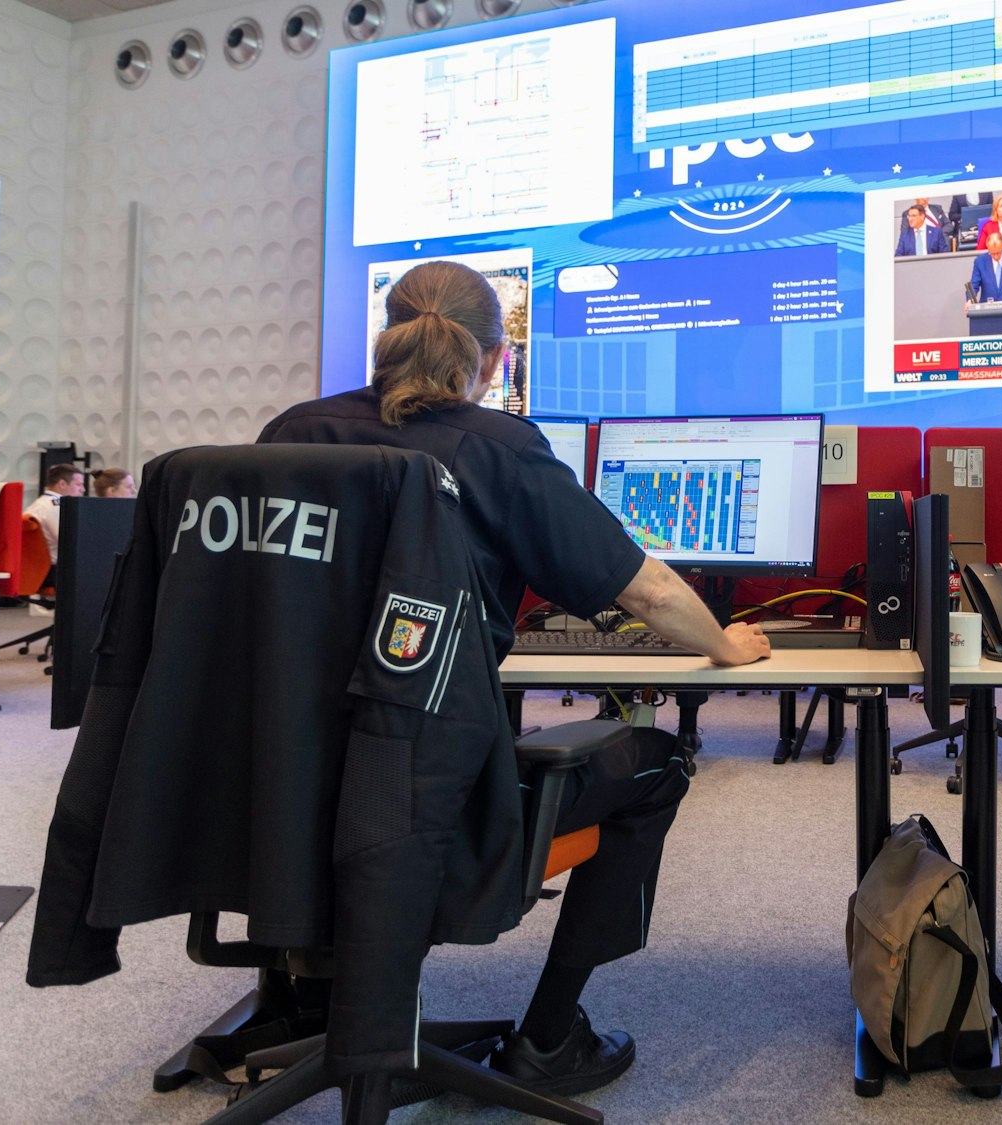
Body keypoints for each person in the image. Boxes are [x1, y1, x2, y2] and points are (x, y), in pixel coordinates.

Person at [259, 260, 771, 1099]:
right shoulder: (498, 448)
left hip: (280, 787)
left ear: (385, 340)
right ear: (493, 360)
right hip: (434, 808)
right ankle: (548, 1038)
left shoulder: (290, 434)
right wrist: (724, 646)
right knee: (656, 762)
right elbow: (644, 589)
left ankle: (306, 996)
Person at [24, 463, 85, 563]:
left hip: (40, 567)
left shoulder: (40, 504)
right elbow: (68, 540)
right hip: (55, 571)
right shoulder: (55, 507)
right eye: (78, 484)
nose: (83, 489)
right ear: (62, 484)